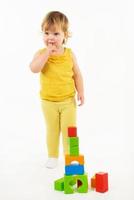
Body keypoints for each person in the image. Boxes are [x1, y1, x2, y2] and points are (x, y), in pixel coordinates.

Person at [29, 11, 84, 168]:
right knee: (52, 130)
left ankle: (71, 157)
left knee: (69, 131)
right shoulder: (41, 54)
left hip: (68, 101)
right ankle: (52, 156)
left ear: (65, 35)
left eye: (55, 33)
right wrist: (47, 53)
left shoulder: (70, 54)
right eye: (46, 33)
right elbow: (34, 68)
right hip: (48, 102)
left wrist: (81, 92)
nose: (50, 37)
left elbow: (77, 75)